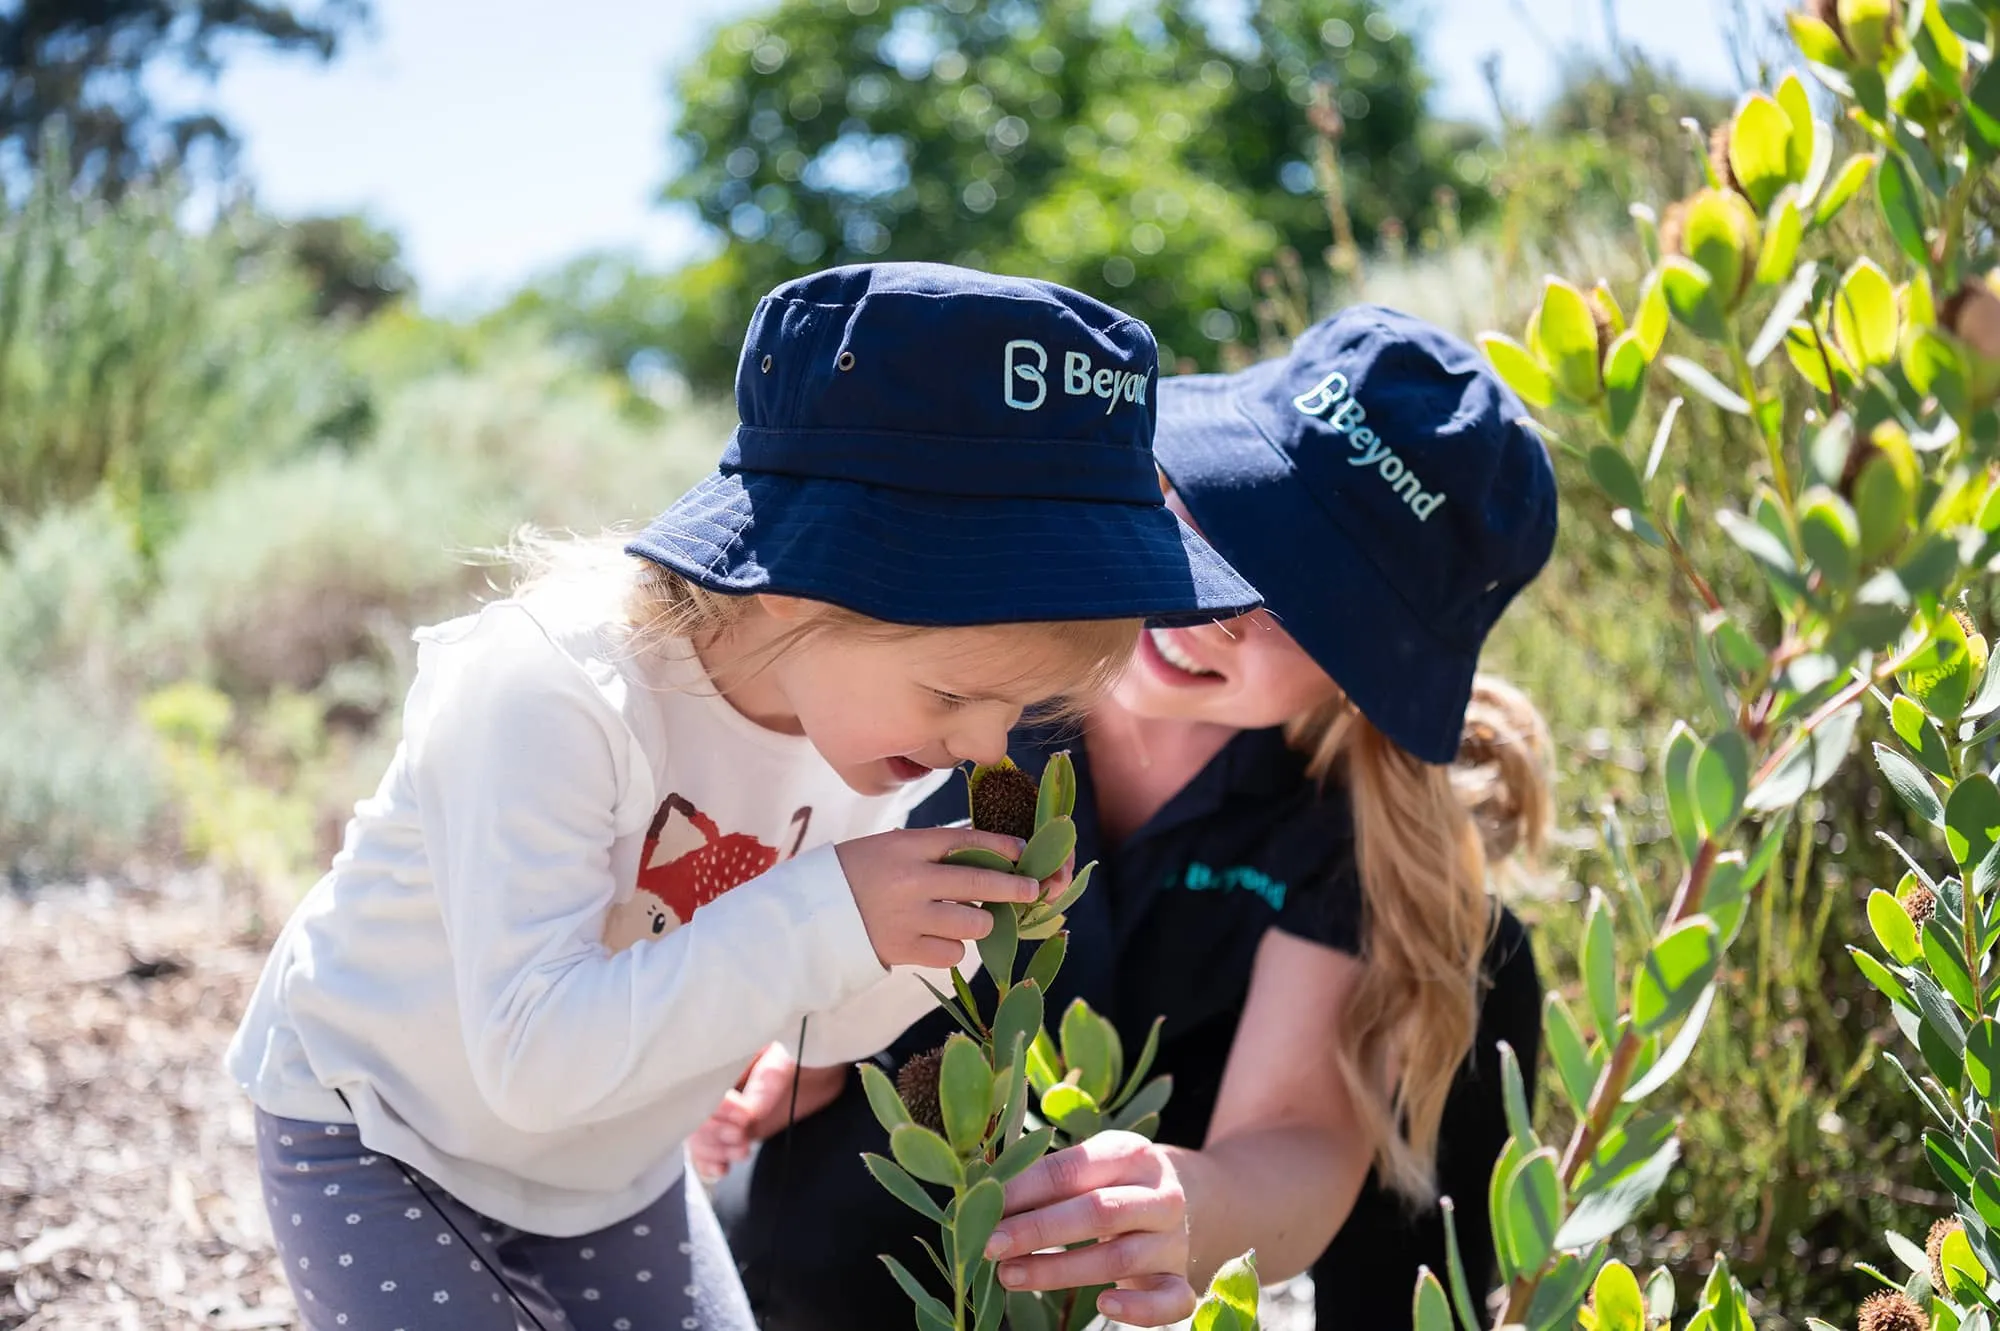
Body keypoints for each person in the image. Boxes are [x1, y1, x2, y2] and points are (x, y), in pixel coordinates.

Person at [222, 261, 1264, 1331]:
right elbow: (532, 1059)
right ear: (788, 585)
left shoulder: (859, 728)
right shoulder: (551, 690)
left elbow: (812, 1004)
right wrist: (832, 908)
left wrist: (936, 932)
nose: (984, 743)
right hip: (383, 1127)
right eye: (957, 692)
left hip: (613, 1159)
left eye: (1020, 708)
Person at [708, 304, 1559, 1330]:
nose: (1222, 611)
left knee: (1473, 960)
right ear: (1163, 474)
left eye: (1304, 606)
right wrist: (788, 1037)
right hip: (897, 1163)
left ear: (1364, 668)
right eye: (1222, 517)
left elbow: (1291, 1135)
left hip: (1156, 1173)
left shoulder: (1340, 822)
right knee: (821, 1219)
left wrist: (1183, 1207)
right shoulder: (972, 652)